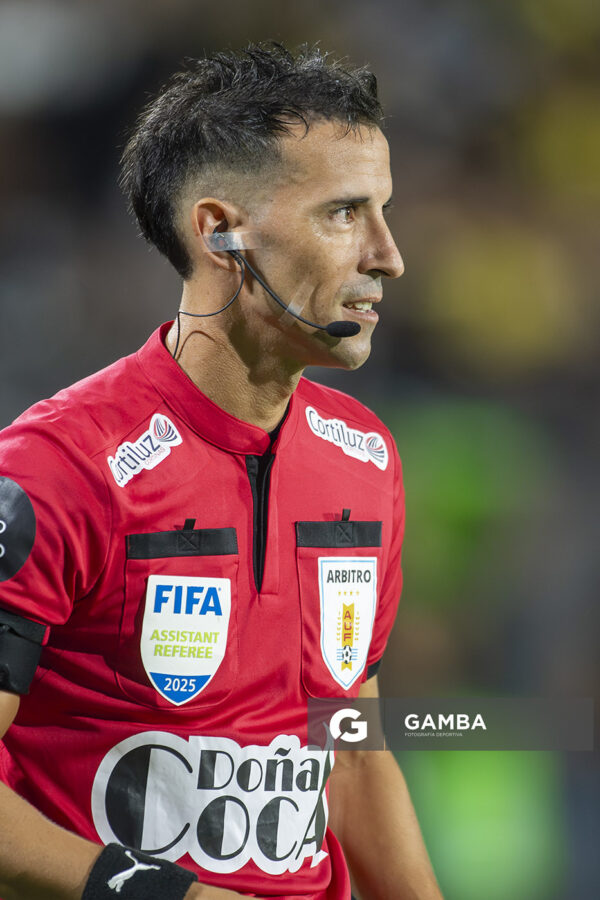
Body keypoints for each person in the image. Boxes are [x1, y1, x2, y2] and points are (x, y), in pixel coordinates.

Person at [0, 44, 442, 900]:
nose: (388, 257)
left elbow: (348, 748)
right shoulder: (56, 470)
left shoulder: (366, 459)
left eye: (385, 211)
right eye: (344, 213)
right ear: (219, 233)